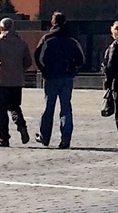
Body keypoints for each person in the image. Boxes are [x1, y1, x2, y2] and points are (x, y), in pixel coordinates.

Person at [34, 11, 85, 149]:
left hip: (51, 77)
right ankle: (65, 139)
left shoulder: (47, 38)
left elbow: (38, 57)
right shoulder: (72, 39)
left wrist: (45, 70)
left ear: (53, 22)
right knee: (66, 108)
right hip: (67, 77)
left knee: (48, 107)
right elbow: (81, 59)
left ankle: (45, 137)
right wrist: (73, 67)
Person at [0, 18, 33, 147]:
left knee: (2, 110)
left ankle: (4, 138)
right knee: (15, 106)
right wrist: (20, 71)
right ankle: (21, 125)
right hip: (17, 81)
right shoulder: (21, 42)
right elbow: (28, 61)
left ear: (1, 28)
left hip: (2, 80)